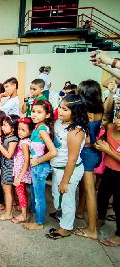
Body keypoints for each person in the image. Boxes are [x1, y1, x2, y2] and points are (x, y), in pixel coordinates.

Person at [47, 94, 88, 240]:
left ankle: (66, 227)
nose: (61, 111)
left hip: (69, 170)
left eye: (65, 109)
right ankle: (61, 214)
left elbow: (72, 159)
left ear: (75, 112)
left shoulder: (75, 131)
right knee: (57, 196)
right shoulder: (60, 122)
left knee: (67, 199)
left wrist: (65, 181)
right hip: (58, 168)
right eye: (60, 107)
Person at [74, 80, 103, 240]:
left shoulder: (88, 113)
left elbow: (86, 139)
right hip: (93, 152)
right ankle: (80, 211)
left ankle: (92, 230)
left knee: (90, 191)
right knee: (85, 187)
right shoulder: (100, 109)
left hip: (87, 153)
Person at [23, 100, 58, 230]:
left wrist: (37, 161)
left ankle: (39, 223)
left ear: (47, 115)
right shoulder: (37, 127)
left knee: (39, 197)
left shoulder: (42, 130)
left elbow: (53, 152)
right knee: (34, 193)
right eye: (33, 111)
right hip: (36, 167)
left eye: (39, 112)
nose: (34, 115)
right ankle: (35, 215)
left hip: (39, 167)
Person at [95, 110, 120, 247]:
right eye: (118, 118)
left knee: (118, 204)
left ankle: (119, 235)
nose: (118, 122)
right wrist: (99, 144)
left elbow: (108, 149)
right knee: (102, 196)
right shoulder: (110, 128)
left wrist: (109, 151)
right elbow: (102, 142)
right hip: (109, 170)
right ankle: (100, 218)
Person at [0, 115, 19, 221]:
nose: (2, 128)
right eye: (3, 125)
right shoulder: (7, 137)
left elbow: (9, 155)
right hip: (5, 166)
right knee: (7, 190)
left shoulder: (13, 139)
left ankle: (8, 213)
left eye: (5, 126)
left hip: (9, 167)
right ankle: (9, 209)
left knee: (7, 191)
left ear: (13, 128)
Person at [12, 117, 34, 224]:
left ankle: (24, 215)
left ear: (30, 131)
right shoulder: (24, 140)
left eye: (23, 130)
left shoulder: (25, 143)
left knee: (20, 193)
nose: (20, 132)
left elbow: (26, 161)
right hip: (20, 171)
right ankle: (23, 208)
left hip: (21, 172)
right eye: (19, 129)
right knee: (23, 192)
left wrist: (19, 177)